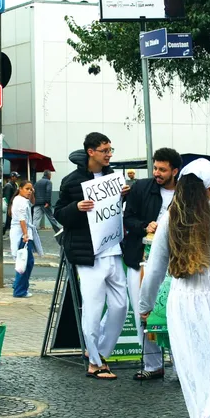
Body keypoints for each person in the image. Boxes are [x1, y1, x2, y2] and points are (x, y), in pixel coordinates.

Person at [138, 158, 210, 418]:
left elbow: (155, 267)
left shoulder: (171, 217)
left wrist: (145, 305)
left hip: (185, 296)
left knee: (197, 361)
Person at [54, 132, 130, 380]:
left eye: (110, 150)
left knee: (120, 305)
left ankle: (98, 351)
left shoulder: (113, 178)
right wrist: (76, 208)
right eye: (105, 150)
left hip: (114, 249)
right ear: (91, 152)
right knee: (93, 307)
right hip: (89, 254)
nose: (109, 154)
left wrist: (125, 196)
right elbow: (59, 214)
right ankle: (95, 363)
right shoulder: (72, 181)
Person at [123, 147, 181, 380]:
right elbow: (128, 218)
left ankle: (180, 367)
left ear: (175, 171)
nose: (157, 173)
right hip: (142, 257)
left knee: (175, 314)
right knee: (143, 310)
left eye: (163, 169)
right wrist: (145, 226)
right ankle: (152, 364)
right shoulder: (141, 188)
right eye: (155, 167)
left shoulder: (185, 193)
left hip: (175, 262)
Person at [10, 178, 41, 298]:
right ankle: (19, 290)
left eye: (31, 189)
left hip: (23, 232)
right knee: (25, 262)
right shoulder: (21, 201)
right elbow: (22, 219)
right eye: (27, 189)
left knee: (25, 261)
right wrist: (25, 235)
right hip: (22, 234)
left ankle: (19, 286)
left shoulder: (21, 199)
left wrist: (32, 193)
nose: (29, 191)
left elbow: (33, 202)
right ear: (20, 189)